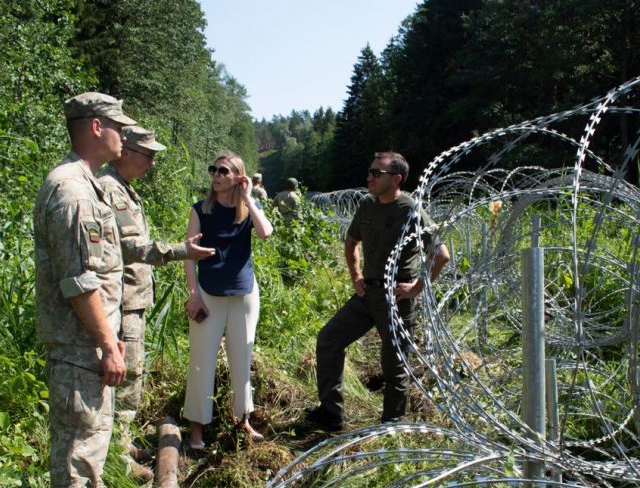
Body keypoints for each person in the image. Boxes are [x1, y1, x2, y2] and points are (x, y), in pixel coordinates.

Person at [33, 92, 140, 488]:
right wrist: (107, 343)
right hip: (81, 343)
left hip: (89, 340)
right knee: (79, 441)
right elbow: (78, 281)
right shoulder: (72, 190)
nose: (125, 135)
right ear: (96, 127)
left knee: (94, 431)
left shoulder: (88, 184)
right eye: (118, 125)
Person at [98, 126, 215, 481]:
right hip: (121, 301)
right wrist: (183, 252)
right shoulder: (110, 190)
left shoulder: (124, 189)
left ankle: (121, 442)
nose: (152, 162)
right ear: (126, 152)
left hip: (131, 299)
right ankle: (117, 457)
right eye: (148, 155)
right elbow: (132, 246)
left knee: (133, 373)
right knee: (126, 375)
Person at [305, 152, 450, 431]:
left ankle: (391, 426)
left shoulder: (410, 209)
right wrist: (356, 276)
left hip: (396, 296)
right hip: (367, 294)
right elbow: (351, 241)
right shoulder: (368, 205)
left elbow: (441, 254)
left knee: (394, 363)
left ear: (396, 179)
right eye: (369, 172)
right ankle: (330, 414)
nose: (369, 177)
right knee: (329, 339)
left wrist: (417, 287)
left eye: (376, 173)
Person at [183, 151, 274, 450]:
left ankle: (242, 419)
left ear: (238, 177)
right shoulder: (200, 210)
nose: (217, 175)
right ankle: (197, 428)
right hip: (209, 293)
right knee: (201, 361)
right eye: (214, 170)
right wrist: (194, 294)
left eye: (224, 171)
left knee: (241, 358)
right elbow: (189, 257)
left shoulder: (247, 209)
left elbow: (266, 233)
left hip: (244, 294)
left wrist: (248, 198)